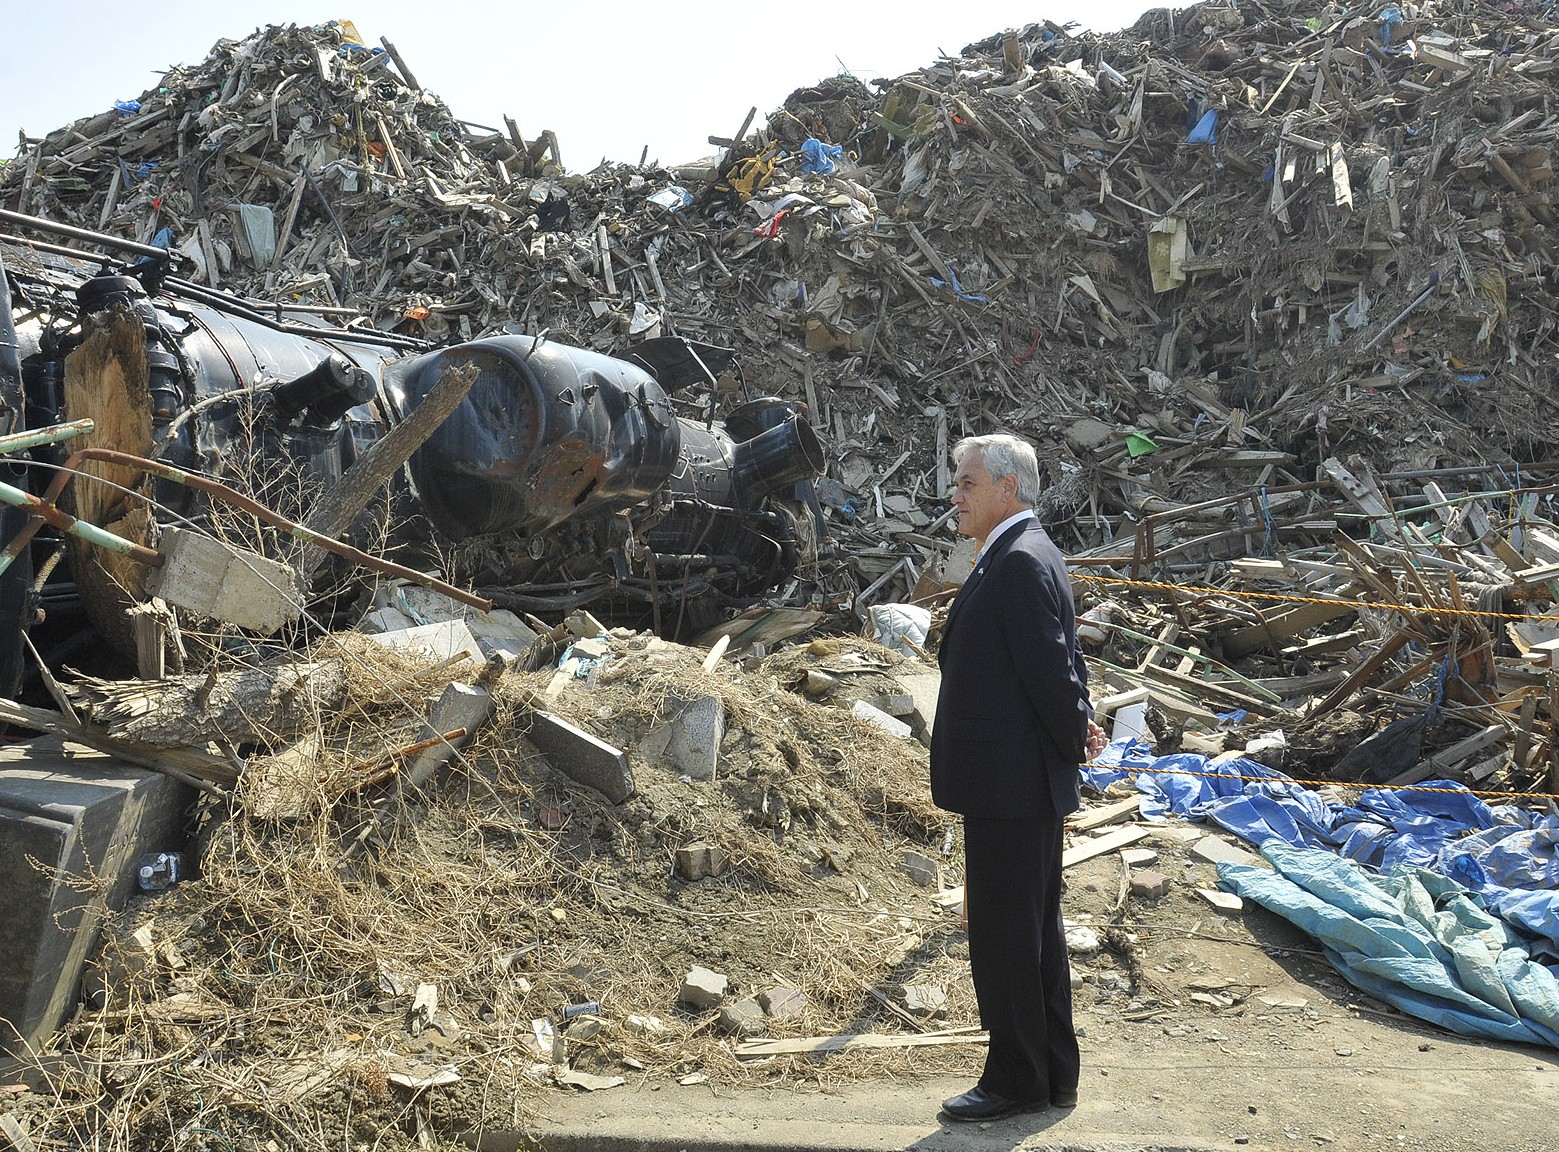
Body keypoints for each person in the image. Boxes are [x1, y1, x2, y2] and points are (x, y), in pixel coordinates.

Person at [930, 433, 1107, 1122]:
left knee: (1008, 936)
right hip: (1013, 782)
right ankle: (1049, 1072)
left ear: (1008, 487)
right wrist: (1078, 725)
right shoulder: (1018, 553)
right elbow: (1061, 666)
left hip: (1010, 785)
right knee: (1030, 932)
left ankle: (1015, 1080)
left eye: (967, 482)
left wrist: (1073, 732)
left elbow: (1051, 672)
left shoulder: (1016, 561)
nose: (956, 495)